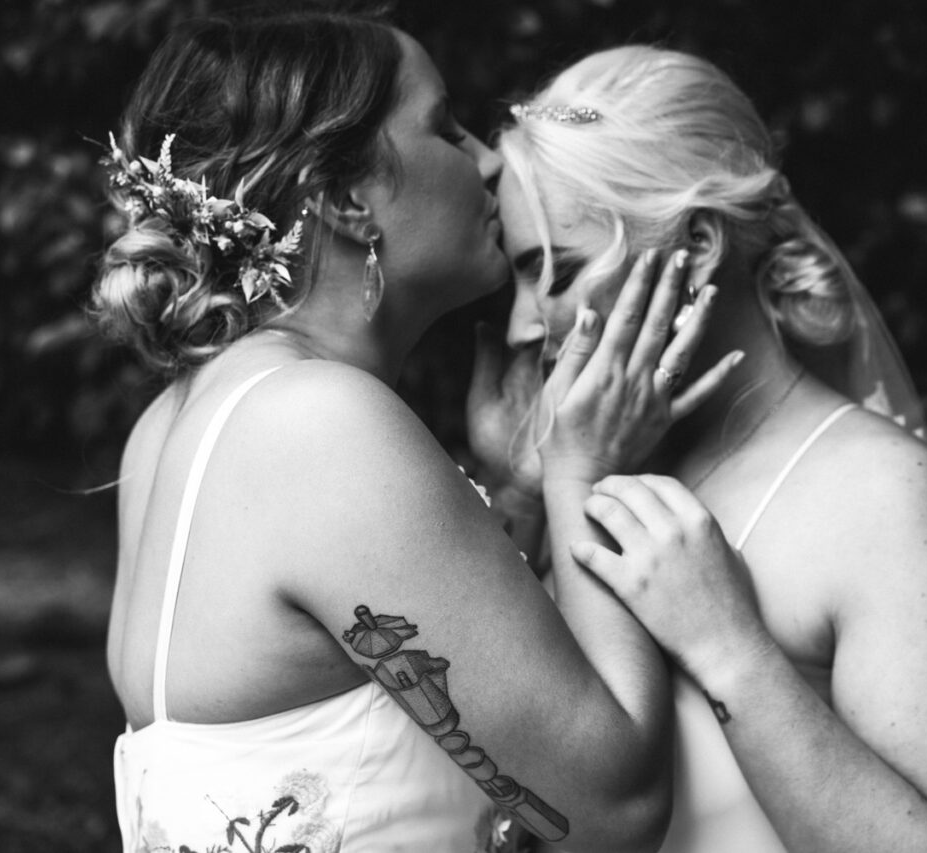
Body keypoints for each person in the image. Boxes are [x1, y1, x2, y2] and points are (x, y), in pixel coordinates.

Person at [94, 13, 739, 853]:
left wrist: (516, 493)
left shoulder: (175, 423)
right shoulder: (318, 425)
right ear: (345, 198)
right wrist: (583, 470)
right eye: (444, 126)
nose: (488, 157)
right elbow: (607, 811)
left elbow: (364, 688)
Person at [476, 45, 927, 852]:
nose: (524, 325)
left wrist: (731, 650)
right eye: (519, 280)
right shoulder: (588, 464)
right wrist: (526, 496)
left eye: (559, 271)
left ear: (698, 246)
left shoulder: (882, 498)